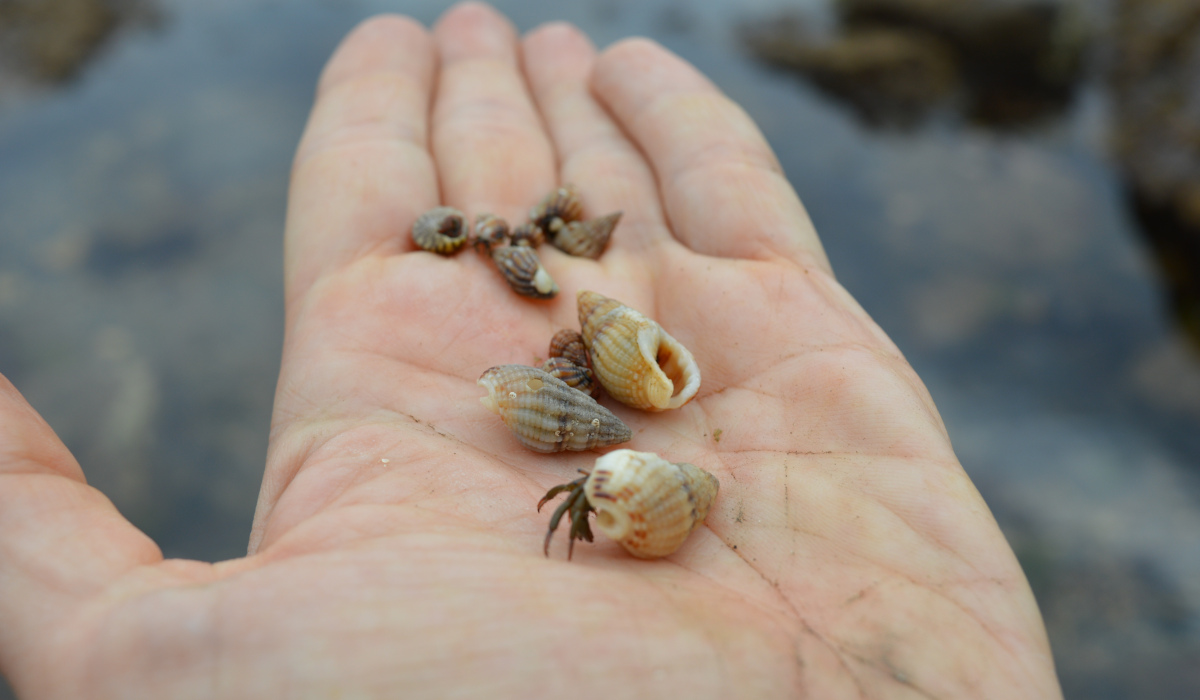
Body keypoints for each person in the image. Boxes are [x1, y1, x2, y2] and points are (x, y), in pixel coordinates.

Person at [0, 3, 1062, 697]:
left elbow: (592, 476)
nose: (584, 503)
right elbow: (581, 486)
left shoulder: (605, 439)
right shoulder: (590, 449)